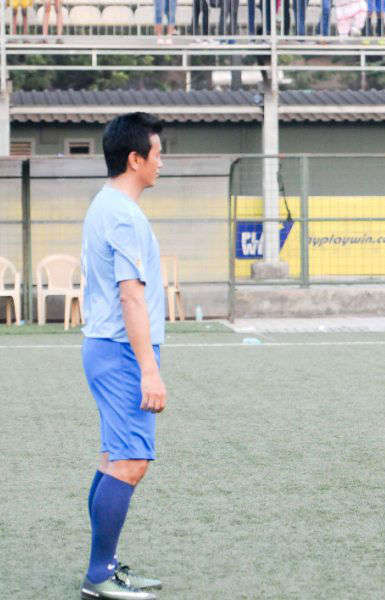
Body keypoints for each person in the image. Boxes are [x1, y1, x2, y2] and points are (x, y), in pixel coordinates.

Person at [79, 113, 168, 599]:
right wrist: (149, 371)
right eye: (156, 155)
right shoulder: (123, 215)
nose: (161, 164)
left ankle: (103, 567)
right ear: (135, 159)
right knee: (131, 461)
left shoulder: (104, 204)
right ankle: (98, 574)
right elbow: (130, 295)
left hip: (104, 347)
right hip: (120, 353)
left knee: (114, 457)